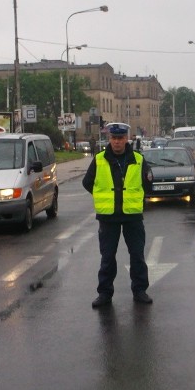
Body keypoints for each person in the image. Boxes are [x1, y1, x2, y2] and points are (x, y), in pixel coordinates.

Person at [82, 122, 154, 308]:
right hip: (109, 217)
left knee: (137, 255)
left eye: (120, 138)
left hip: (132, 216)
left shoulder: (138, 159)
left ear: (126, 139)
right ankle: (104, 293)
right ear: (109, 139)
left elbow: (148, 184)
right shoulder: (99, 159)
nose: (117, 142)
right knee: (107, 257)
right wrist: (104, 197)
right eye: (114, 138)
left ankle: (140, 291)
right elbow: (88, 182)